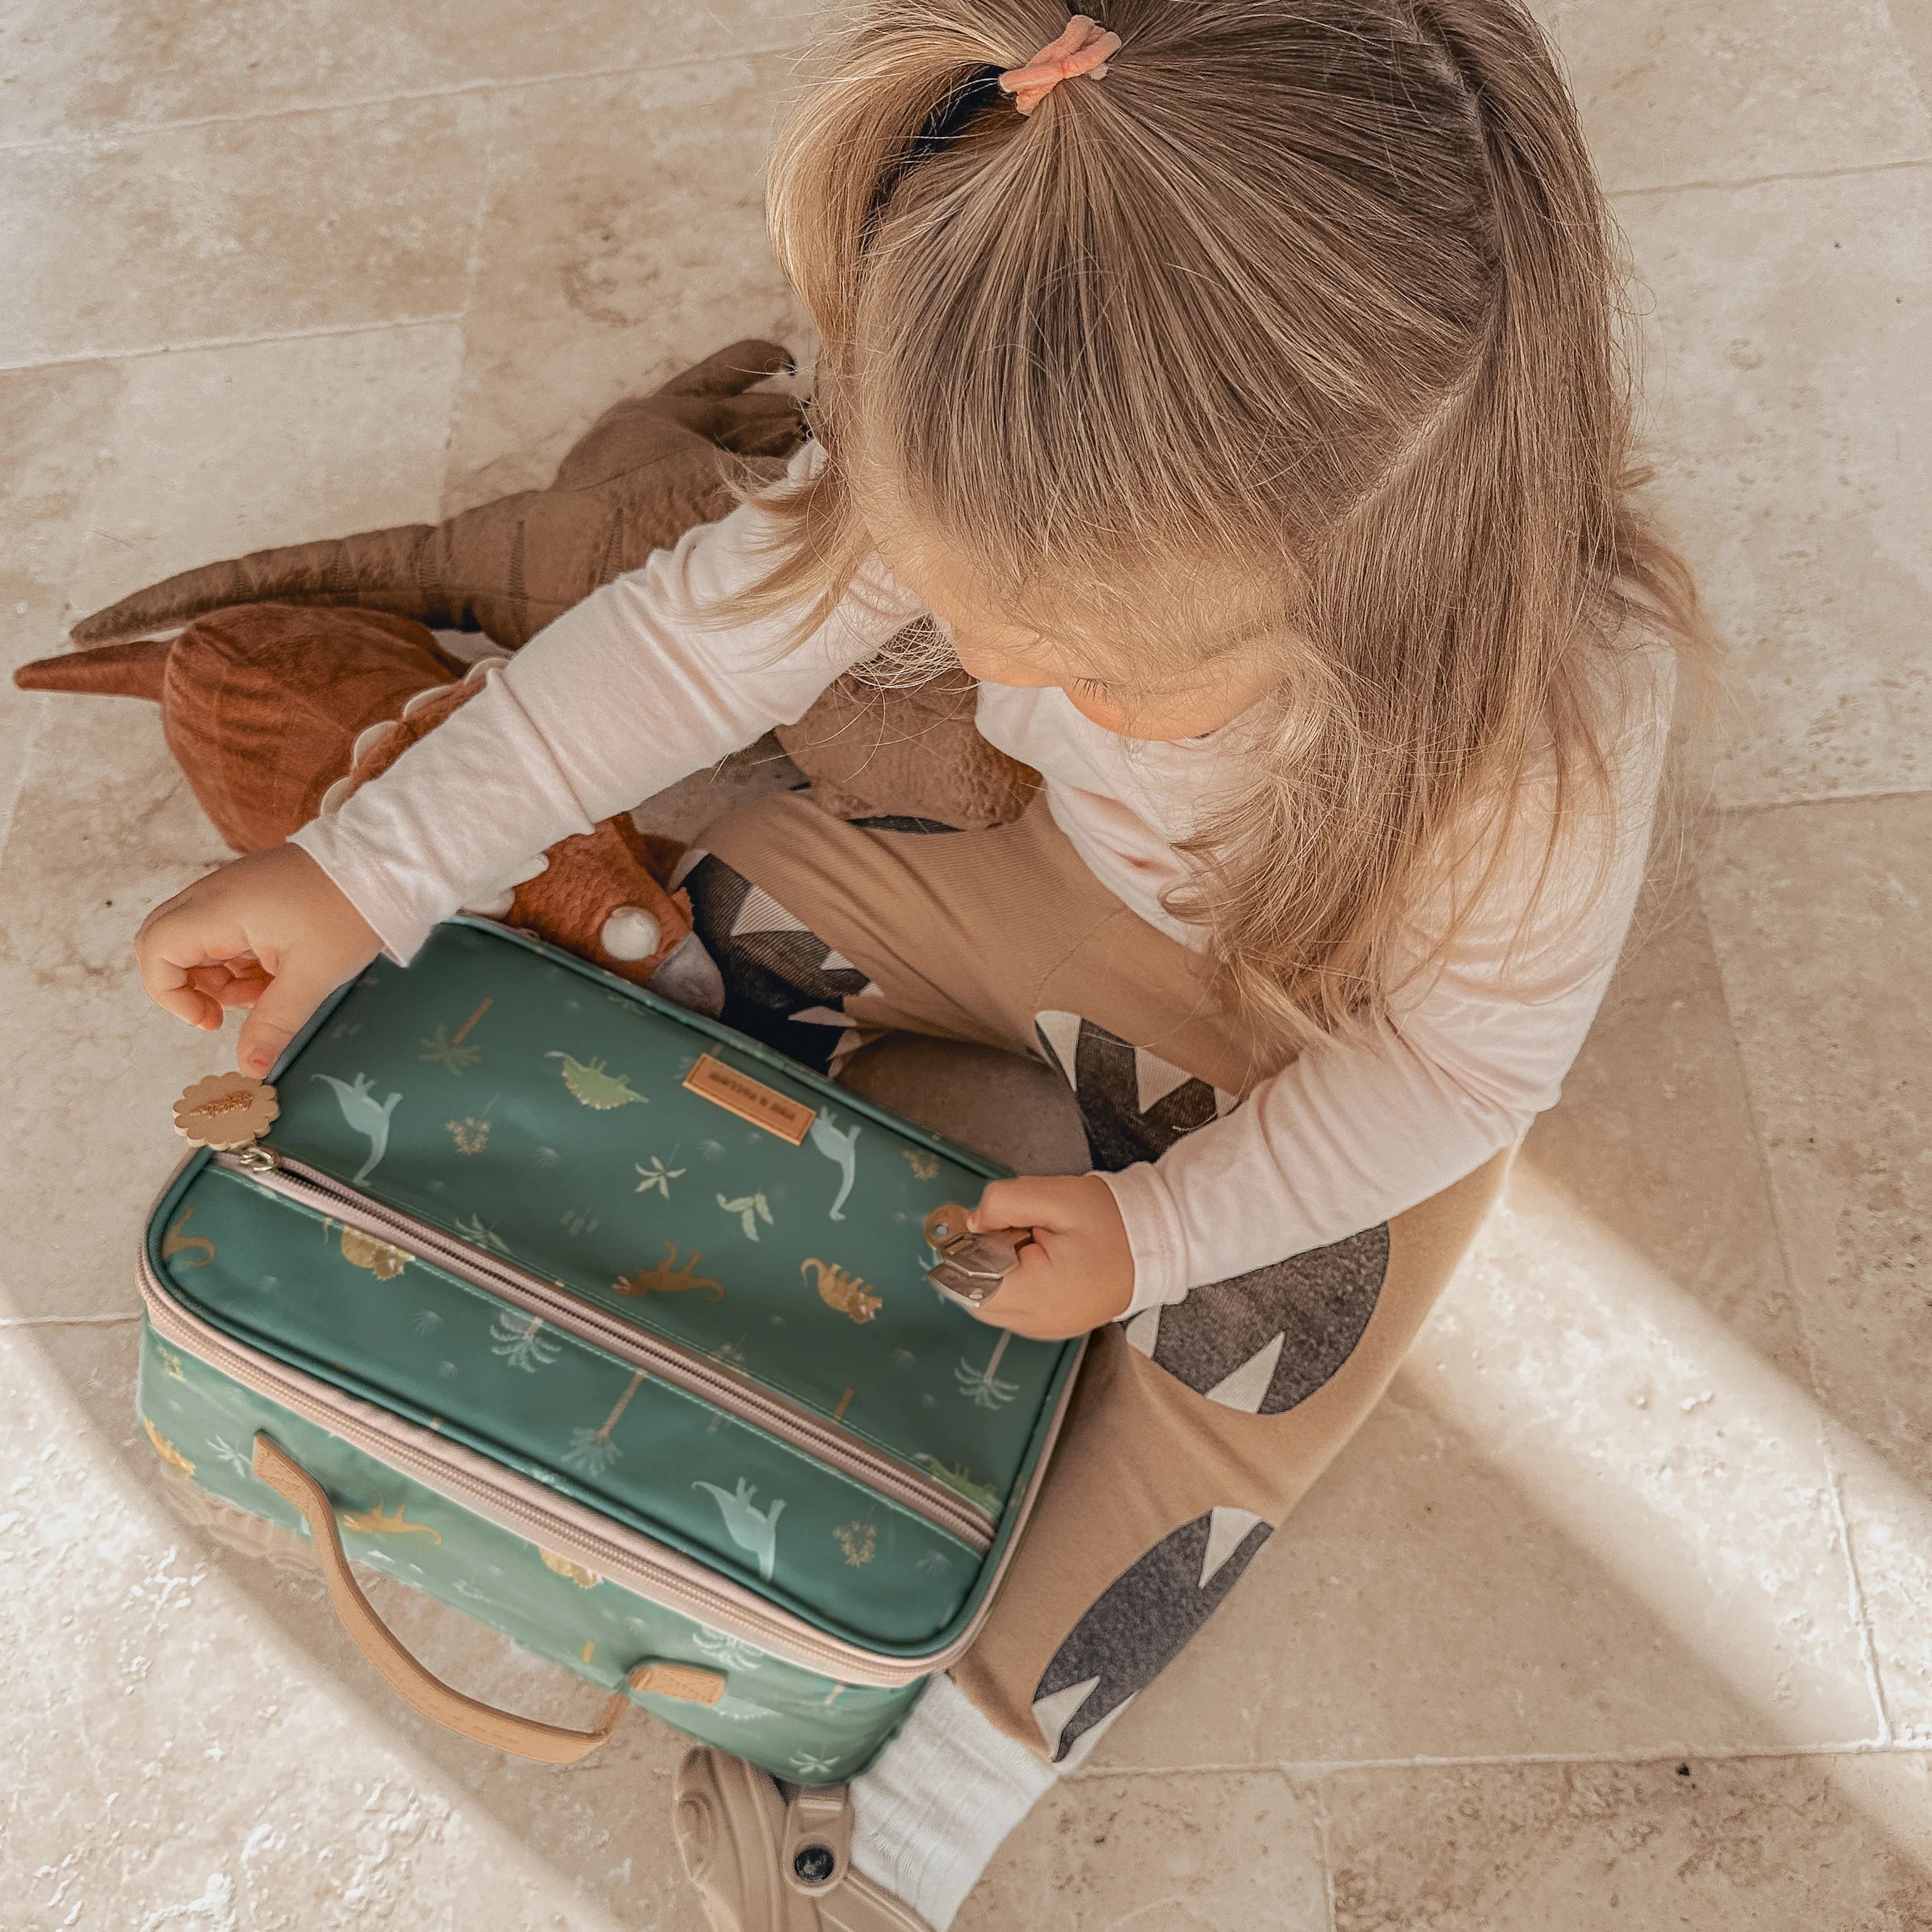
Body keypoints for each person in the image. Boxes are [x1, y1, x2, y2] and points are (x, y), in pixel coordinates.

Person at [131, 1, 1709, 1925]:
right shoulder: (990, 406)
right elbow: (706, 645)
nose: (1016, 685)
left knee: (1268, 1363)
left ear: (1385, 589)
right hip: (1016, 890)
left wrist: (1165, 1235)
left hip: (1333, 1045)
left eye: (1099, 667)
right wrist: (356, 879)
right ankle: (727, 1052)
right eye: (978, 625)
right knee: (726, 872)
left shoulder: (1541, 745)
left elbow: (1455, 1080)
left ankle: (916, 1818)